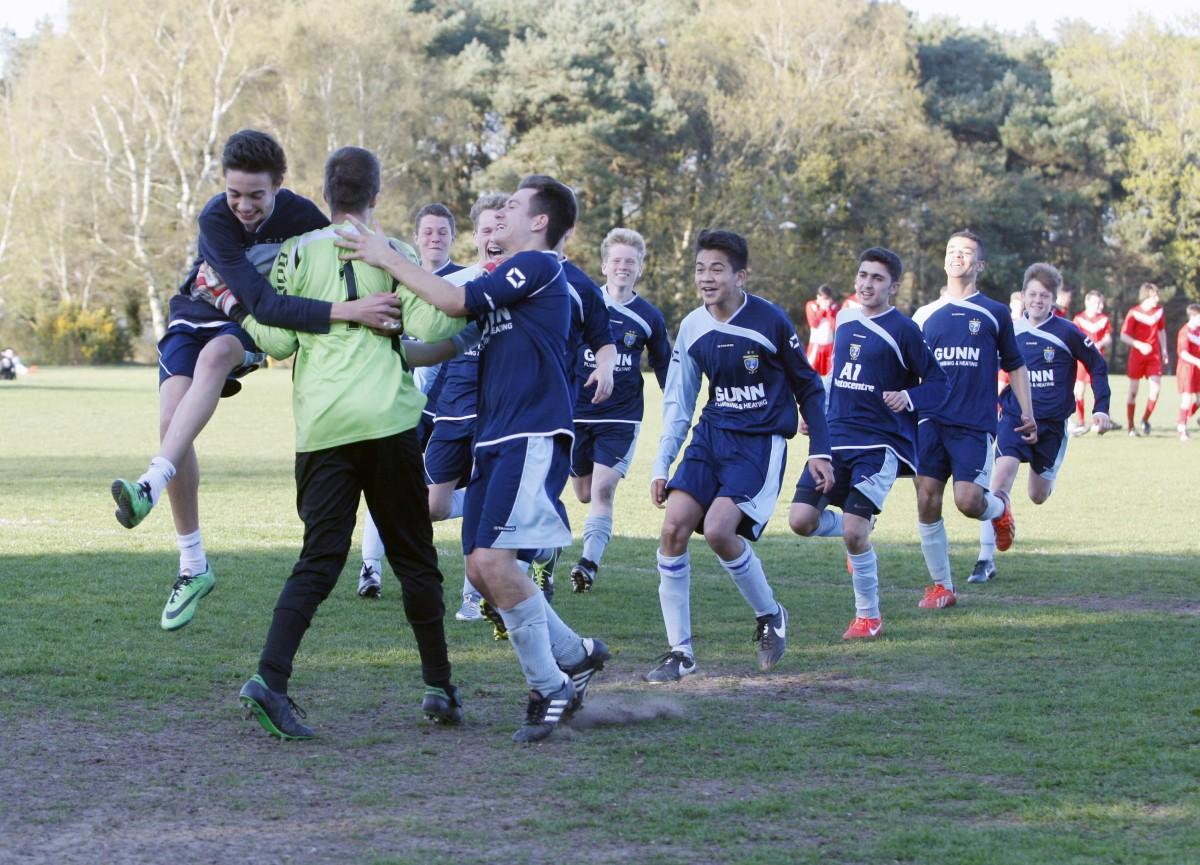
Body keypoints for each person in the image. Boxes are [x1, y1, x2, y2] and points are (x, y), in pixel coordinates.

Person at [336, 174, 610, 744]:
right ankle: (577, 655)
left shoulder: (538, 266)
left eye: (512, 206)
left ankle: (550, 684)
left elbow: (454, 299)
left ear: (538, 222)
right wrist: (370, 342)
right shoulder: (506, 283)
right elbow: (445, 342)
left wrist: (387, 254)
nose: (499, 214)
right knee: (482, 571)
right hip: (496, 438)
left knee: (495, 565)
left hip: (531, 434)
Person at [224, 146, 471, 739]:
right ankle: (439, 687)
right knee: (415, 560)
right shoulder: (398, 254)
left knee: (319, 558)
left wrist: (240, 308)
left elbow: (275, 342)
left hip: (323, 429)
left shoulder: (295, 253)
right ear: (377, 197)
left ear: (323, 193)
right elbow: (438, 324)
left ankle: (270, 679)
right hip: (388, 424)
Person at [109, 130, 400, 632]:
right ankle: (193, 566)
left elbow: (271, 304)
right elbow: (261, 300)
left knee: (221, 352)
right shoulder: (213, 219)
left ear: (279, 186)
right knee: (170, 423)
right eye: (234, 193)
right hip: (196, 312)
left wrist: (385, 268)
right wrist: (351, 310)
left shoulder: (303, 216)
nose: (243, 205)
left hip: (238, 323)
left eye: (256, 195)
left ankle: (150, 483)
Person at [644, 229, 832, 683]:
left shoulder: (769, 321)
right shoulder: (691, 327)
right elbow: (679, 404)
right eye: (700, 269)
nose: (706, 278)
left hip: (758, 443)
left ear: (740, 276)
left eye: (717, 269)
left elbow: (808, 385)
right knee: (672, 527)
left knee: (719, 530)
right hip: (711, 438)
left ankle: (770, 614)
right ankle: (680, 653)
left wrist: (820, 451)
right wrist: (660, 465)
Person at [788, 247, 946, 639]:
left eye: (877, 278)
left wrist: (909, 398)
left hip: (880, 444)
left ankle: (868, 617)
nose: (866, 284)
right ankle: (854, 525)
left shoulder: (904, 329)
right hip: (836, 437)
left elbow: (940, 383)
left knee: (855, 534)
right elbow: (838, 377)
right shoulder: (844, 320)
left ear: (893, 286)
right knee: (800, 521)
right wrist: (816, 412)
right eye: (862, 275)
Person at [910, 230, 1036, 610]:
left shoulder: (995, 313)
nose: (956, 257)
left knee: (968, 501)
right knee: (927, 499)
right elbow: (908, 369)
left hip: (973, 424)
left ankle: (998, 509)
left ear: (979, 264)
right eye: (951, 251)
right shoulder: (923, 315)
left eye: (965, 252)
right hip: (929, 420)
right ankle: (941, 586)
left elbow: (1015, 365)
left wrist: (1026, 412)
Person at [968, 263, 1111, 584]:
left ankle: (1035, 480)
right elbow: (984, 369)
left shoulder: (1068, 332)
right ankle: (984, 559)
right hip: (1015, 418)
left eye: (1043, 295)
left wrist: (1101, 408)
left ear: (1054, 299)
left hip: (1051, 426)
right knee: (997, 483)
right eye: (1032, 294)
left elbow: (1098, 366)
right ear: (1023, 295)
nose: (1036, 300)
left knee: (1037, 495)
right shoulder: (1010, 330)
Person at [356, 202, 468, 600]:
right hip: (401, 401)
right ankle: (370, 569)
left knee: (434, 500)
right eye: (428, 231)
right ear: (417, 237)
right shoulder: (399, 274)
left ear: (453, 237)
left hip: (455, 406)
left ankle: (490, 509)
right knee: (381, 480)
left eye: (442, 231)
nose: (435, 238)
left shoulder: (463, 282)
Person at [412, 192, 508, 622]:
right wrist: (416, 404)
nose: (493, 237)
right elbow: (435, 345)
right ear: (476, 236)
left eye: (500, 229)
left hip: (497, 413)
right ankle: (527, 531)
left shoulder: (531, 284)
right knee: (432, 506)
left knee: (485, 504)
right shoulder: (460, 285)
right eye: (486, 230)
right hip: (452, 409)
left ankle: (472, 597)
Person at [567, 228, 671, 593]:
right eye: (617, 261)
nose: (623, 267)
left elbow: (663, 365)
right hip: (576, 412)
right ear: (604, 265)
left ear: (639, 267)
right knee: (583, 492)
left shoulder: (648, 317)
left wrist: (675, 404)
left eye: (631, 261)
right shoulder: (583, 302)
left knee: (604, 489)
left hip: (621, 416)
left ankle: (588, 563)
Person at [1119, 282, 1169, 436]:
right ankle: (1131, 427)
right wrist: (1139, 345)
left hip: (1154, 356)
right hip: (1137, 357)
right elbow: (1123, 336)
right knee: (1133, 393)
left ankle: (1145, 419)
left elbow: (1161, 331)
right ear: (1146, 296)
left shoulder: (1158, 311)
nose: (1157, 298)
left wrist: (1165, 350)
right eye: (1155, 295)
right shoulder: (1134, 312)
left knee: (1156, 390)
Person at [1071, 290, 1113, 434]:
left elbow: (1108, 338)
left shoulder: (1104, 319)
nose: (1098, 305)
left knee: (1099, 390)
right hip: (1081, 361)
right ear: (1087, 302)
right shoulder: (1078, 319)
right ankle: (1081, 421)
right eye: (1095, 302)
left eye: (1099, 302)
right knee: (1079, 391)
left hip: (1096, 361)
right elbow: (1073, 338)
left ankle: (1099, 420)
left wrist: (1100, 343)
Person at [1176, 304, 1200, 441]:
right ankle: (1181, 428)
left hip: (1197, 369)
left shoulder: (1198, 331)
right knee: (1186, 399)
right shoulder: (1185, 331)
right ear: (1193, 316)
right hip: (1187, 369)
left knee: (1198, 400)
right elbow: (1183, 353)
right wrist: (1197, 361)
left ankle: (1181, 420)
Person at [804, 284, 838, 378]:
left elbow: (834, 325)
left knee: (830, 374)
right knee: (809, 372)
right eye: (823, 298)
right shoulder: (811, 305)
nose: (825, 301)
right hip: (816, 344)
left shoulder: (834, 306)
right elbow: (814, 324)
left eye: (827, 299)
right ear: (818, 297)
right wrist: (822, 309)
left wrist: (828, 311)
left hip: (829, 345)